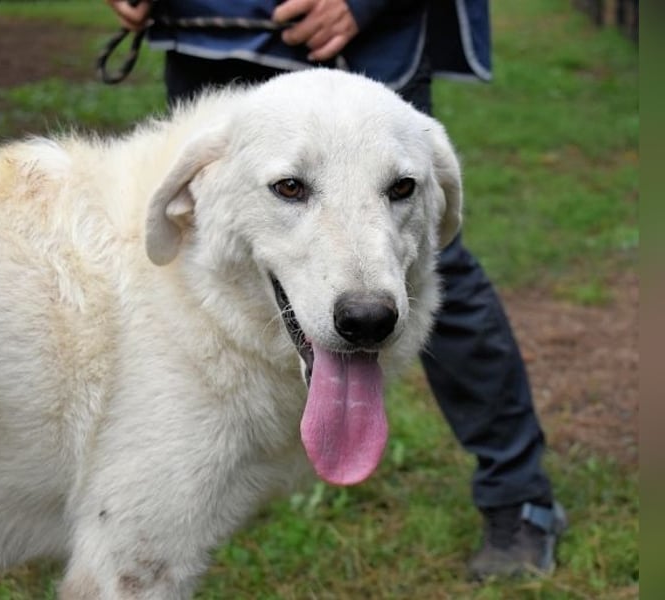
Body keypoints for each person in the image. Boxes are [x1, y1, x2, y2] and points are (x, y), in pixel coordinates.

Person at [105, 0, 567, 579]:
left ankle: (516, 494)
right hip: (209, 29)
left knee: (421, 267)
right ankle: (174, 477)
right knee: (208, 261)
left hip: (355, 33)